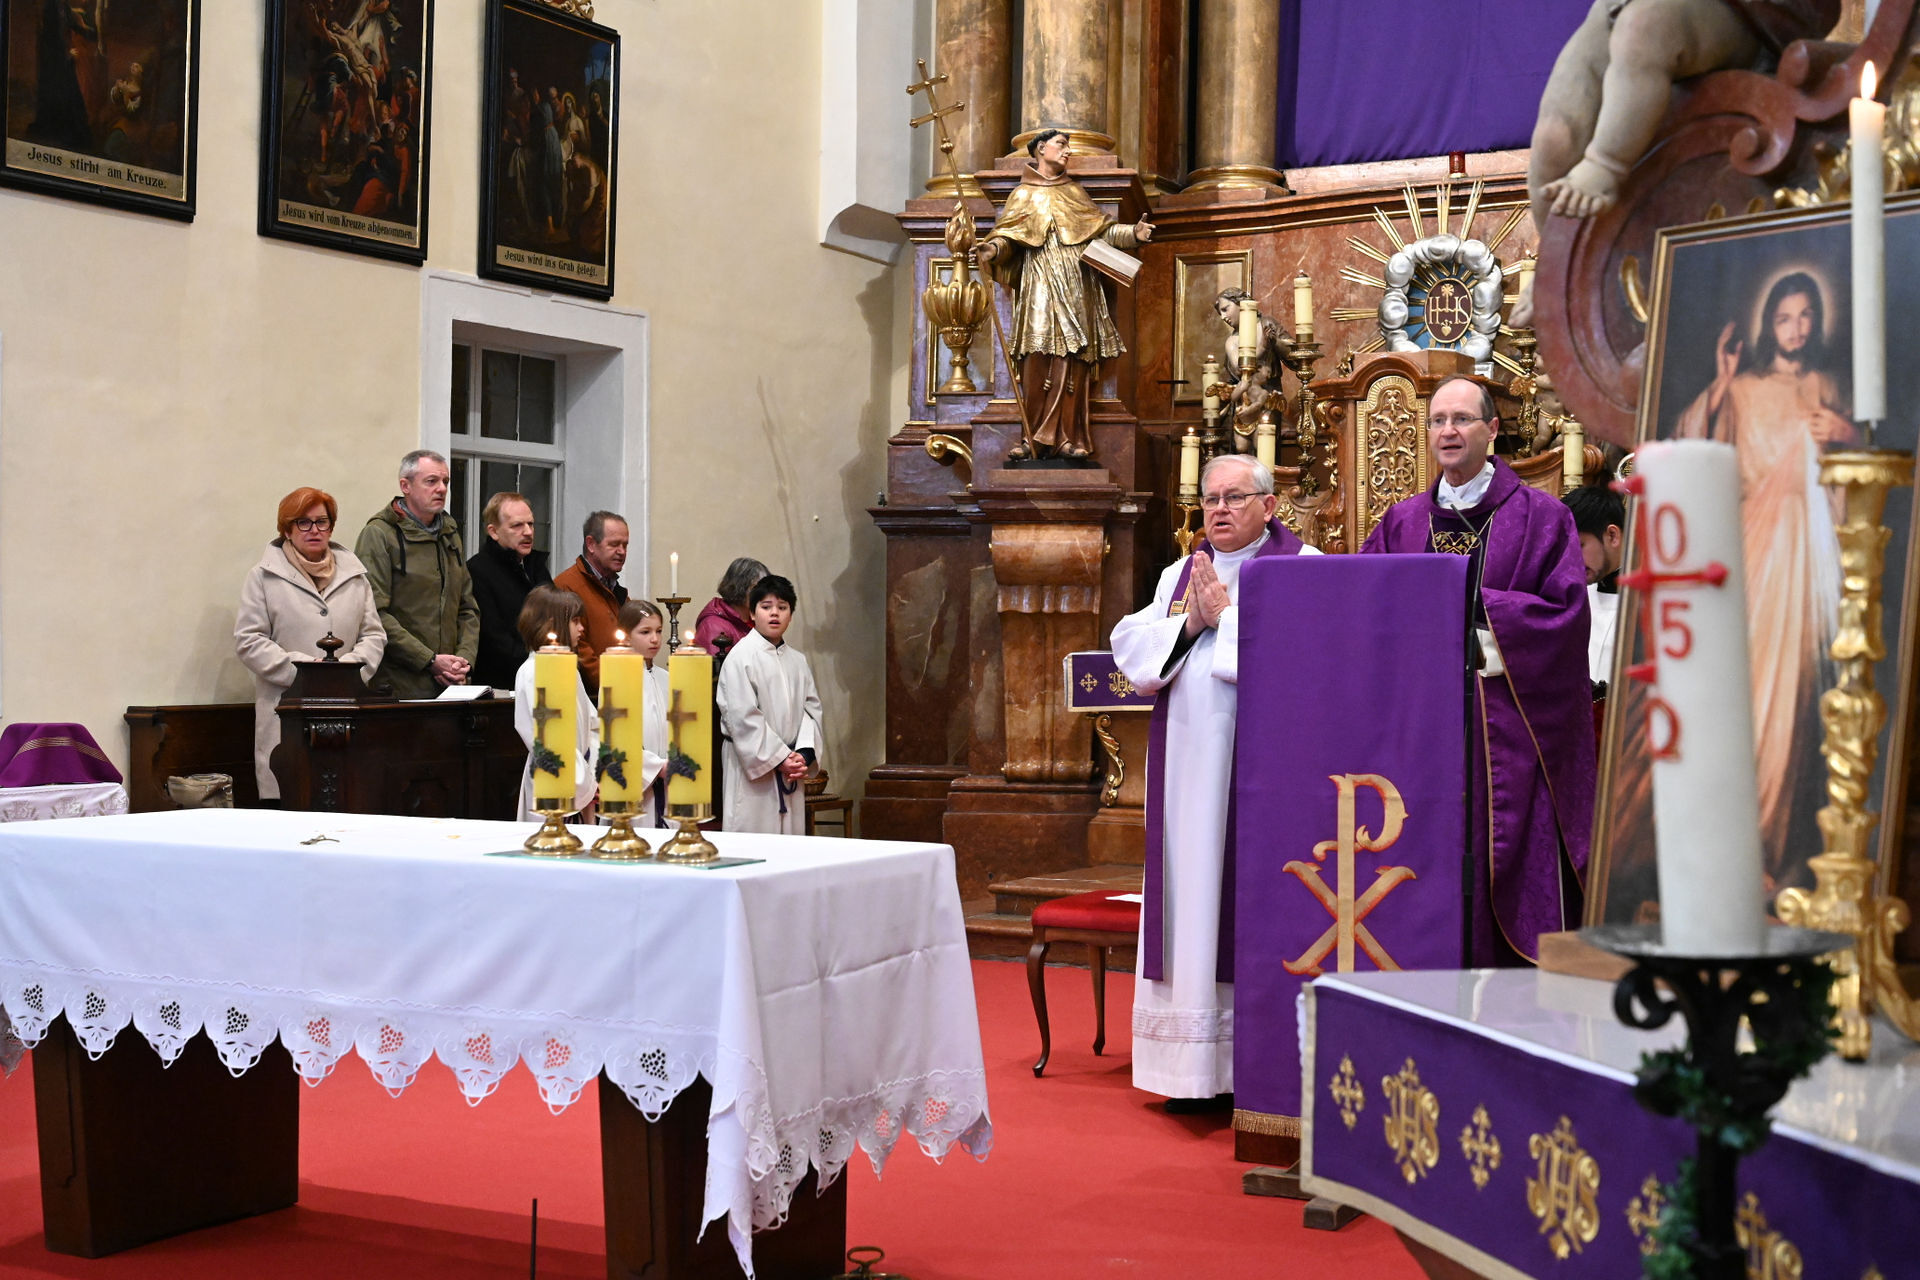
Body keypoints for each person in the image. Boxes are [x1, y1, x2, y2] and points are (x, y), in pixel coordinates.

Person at [1360, 375, 1595, 966]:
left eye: (1461, 419)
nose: (1447, 431)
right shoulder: (1403, 522)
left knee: (1496, 849)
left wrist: (1477, 614)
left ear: (1492, 430)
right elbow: (1362, 605)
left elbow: (1566, 617)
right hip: (1415, 732)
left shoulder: (1542, 517)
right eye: (1438, 420)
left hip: (1504, 733)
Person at [1110, 454, 1318, 1106]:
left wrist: (1226, 618)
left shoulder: (1303, 569)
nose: (1219, 510)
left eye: (1234, 497)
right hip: (1185, 768)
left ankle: (1251, 1068)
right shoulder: (1179, 574)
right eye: (1210, 499)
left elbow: (1306, 661)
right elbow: (1133, 651)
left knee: (1242, 894)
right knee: (1189, 891)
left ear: (1270, 506)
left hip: (1261, 774)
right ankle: (1190, 1072)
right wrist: (1193, 621)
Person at [1676, 269, 1849, 868]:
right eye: (1784, 318)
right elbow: (1690, 446)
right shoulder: (1743, 389)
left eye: (1805, 316)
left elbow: (1864, 471)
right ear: (1768, 324)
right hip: (1749, 559)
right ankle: (1724, 844)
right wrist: (1722, 384)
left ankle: (1766, 848)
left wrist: (1846, 433)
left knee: (1792, 703)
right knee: (1741, 696)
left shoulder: (1827, 386)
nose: (1795, 329)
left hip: (1808, 562)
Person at [1531, 0, 1839, 220]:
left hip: (1748, 15)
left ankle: (1606, 163)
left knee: (1645, 27)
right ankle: (1553, 266)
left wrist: (1603, 164)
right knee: (1555, 138)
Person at [975, 128, 1153, 461]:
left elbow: (1103, 231)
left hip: (1076, 283)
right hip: (1039, 282)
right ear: (1041, 148)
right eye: (1061, 144)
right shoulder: (1023, 194)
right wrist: (992, 249)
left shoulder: (1074, 192)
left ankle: (1067, 438)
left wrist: (1134, 233)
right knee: (1036, 356)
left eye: (1069, 145)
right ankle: (1031, 437)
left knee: (1073, 359)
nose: (1068, 150)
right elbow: (1007, 236)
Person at [235, 487, 386, 803]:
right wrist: (304, 672)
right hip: (286, 712)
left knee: (344, 804)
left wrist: (347, 672)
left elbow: (373, 635)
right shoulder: (263, 576)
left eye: (322, 522)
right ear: (287, 529)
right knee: (290, 803)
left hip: (346, 712)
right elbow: (250, 640)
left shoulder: (355, 575)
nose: (314, 530)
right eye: (303, 522)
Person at [355, 450, 479, 698]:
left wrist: (462, 661)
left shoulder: (449, 534)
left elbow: (467, 608)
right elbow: (374, 613)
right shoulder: (379, 534)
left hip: (451, 685)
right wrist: (429, 660)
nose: (441, 489)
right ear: (406, 486)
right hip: (399, 686)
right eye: (431, 481)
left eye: (445, 481)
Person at [716, 575, 824, 835]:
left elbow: (810, 711)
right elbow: (742, 716)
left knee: (789, 843)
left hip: (791, 768)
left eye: (782, 607)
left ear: (791, 615)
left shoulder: (797, 661)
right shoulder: (741, 657)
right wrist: (780, 757)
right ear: (752, 613)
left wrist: (803, 754)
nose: (774, 613)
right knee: (753, 840)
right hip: (753, 768)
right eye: (766, 607)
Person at [511, 585, 598, 819]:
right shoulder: (533, 672)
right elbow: (547, 739)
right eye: (575, 621)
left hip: (582, 777)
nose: (582, 628)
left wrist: (595, 774)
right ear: (552, 624)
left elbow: (592, 726)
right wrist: (583, 783)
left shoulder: (570, 669)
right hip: (552, 780)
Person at [468, 491, 553, 691]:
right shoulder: (478, 570)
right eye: (517, 525)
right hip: (503, 685)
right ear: (494, 532)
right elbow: (493, 637)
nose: (528, 532)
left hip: (544, 674)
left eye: (531, 524)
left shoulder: (536, 567)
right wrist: (537, 665)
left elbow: (555, 617)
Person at [552, 510, 630, 697]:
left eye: (625, 545)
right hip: (594, 696)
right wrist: (617, 687)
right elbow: (581, 651)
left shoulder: (615, 589)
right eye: (614, 544)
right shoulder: (567, 586)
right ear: (591, 544)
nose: (622, 552)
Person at [1211, 288, 1294, 449]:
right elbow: (1238, 368)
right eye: (1220, 313)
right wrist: (1262, 347)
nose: (1223, 317)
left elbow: (1293, 356)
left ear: (1241, 304)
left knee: (1265, 446)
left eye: (1225, 309)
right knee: (1242, 447)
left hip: (1269, 396)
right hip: (1244, 398)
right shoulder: (1232, 341)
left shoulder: (1266, 324)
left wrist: (1275, 342)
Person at [1564, 482, 1626, 690]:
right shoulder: (1572, 598)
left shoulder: (1655, 599)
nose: (1571, 560)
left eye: (1579, 546)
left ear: (1612, 536)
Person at [617, 598, 671, 825]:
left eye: (659, 631)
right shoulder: (617, 677)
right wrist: (655, 767)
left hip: (668, 780)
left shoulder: (665, 677)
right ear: (626, 635)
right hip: (637, 783)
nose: (655, 639)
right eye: (645, 632)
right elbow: (618, 737)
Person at [695, 557, 769, 659]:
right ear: (739, 587)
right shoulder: (713, 626)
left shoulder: (755, 620)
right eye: (756, 589)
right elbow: (715, 668)